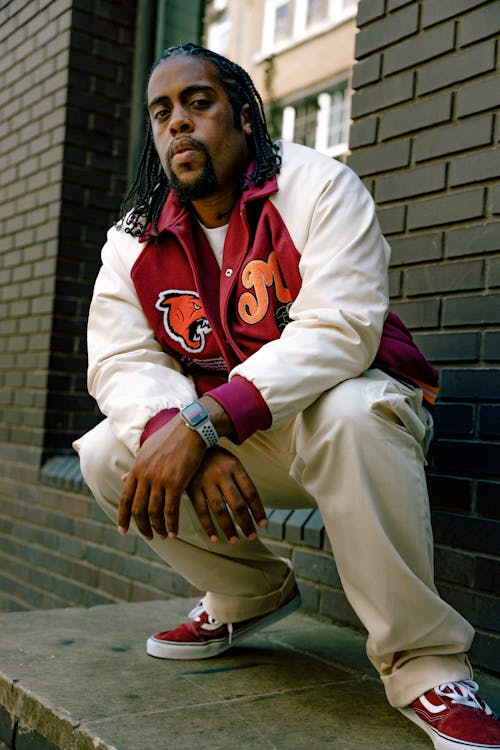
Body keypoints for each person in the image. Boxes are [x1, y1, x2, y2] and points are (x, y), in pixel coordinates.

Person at [74, 43, 499, 750]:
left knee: (349, 411)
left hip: (365, 420)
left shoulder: (318, 185)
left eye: (198, 103)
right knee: (104, 452)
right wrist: (183, 431)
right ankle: (248, 593)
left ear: (245, 114)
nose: (178, 123)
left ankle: (425, 662)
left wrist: (207, 421)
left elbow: (342, 329)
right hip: (242, 435)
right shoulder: (132, 239)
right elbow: (119, 360)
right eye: (162, 112)